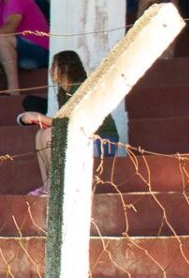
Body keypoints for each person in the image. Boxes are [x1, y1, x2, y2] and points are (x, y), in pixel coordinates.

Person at [17, 51, 123, 196]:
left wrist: (40, 117)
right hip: (85, 139)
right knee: (40, 134)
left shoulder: (81, 88)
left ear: (65, 68)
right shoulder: (64, 92)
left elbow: (74, 123)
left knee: (49, 135)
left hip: (102, 142)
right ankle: (48, 185)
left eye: (53, 66)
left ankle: (59, 185)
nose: (50, 71)